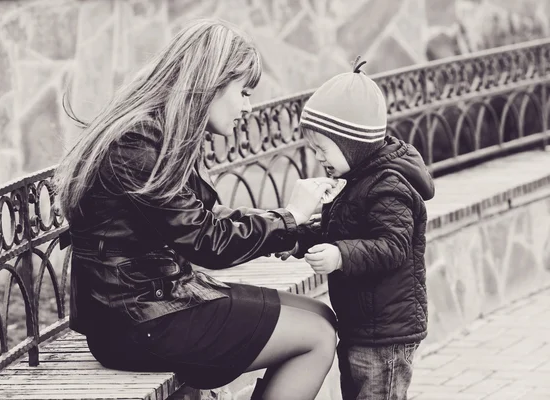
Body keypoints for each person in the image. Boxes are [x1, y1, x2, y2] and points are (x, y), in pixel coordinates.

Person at [52, 18, 338, 400]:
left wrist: (297, 230)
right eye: (244, 92)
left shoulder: (159, 133)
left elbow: (204, 221)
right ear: (212, 84)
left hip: (158, 301)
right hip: (135, 321)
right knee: (317, 337)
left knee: (319, 317)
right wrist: (290, 217)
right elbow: (207, 242)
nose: (249, 107)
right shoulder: (138, 143)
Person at [279, 60, 435, 400]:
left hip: (386, 334)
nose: (319, 157)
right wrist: (297, 241)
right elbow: (338, 232)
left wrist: (339, 256)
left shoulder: (388, 186)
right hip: (361, 326)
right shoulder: (353, 181)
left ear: (353, 144)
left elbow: (392, 247)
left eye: (323, 148)